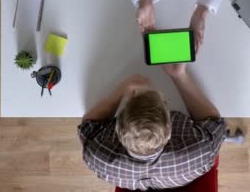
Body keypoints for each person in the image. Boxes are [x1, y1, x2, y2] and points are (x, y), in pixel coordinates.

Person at [78, 63, 226, 191]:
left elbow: (89, 124)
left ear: (117, 127)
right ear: (170, 132)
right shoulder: (202, 152)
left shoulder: (98, 158)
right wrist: (179, 75)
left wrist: (122, 89)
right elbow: (214, 122)